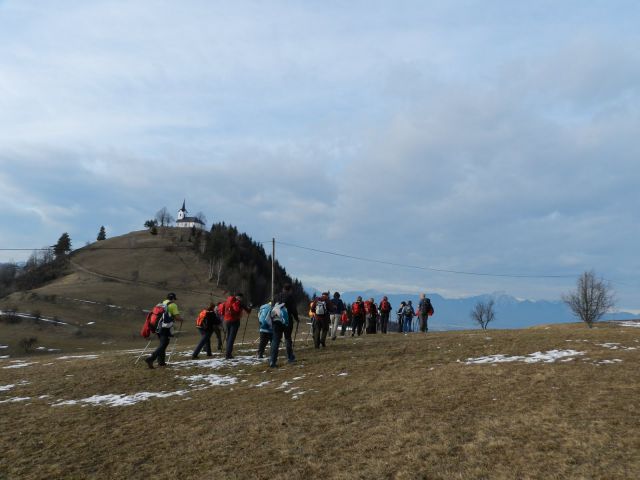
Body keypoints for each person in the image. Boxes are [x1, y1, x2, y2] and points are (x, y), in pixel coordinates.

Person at [145, 292, 183, 368]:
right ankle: (151, 358)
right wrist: (182, 319)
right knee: (164, 343)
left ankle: (161, 362)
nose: (174, 301)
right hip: (165, 327)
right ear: (172, 298)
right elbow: (177, 317)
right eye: (174, 299)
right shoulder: (173, 305)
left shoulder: (161, 303)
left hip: (157, 326)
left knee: (162, 343)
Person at [270, 283, 300, 367]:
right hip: (287, 321)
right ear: (290, 290)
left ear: (283, 288)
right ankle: (290, 357)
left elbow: (272, 308)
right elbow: (293, 310)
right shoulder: (290, 297)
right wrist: (297, 319)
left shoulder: (276, 296)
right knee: (287, 338)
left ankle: (272, 360)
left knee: (275, 340)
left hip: (276, 321)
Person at [221, 292, 252, 359]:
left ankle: (227, 353)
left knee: (228, 337)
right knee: (231, 338)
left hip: (226, 321)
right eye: (242, 298)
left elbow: (223, 310)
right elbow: (248, 311)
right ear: (240, 297)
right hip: (235, 321)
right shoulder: (239, 303)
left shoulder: (228, 300)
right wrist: (250, 306)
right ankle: (228, 355)